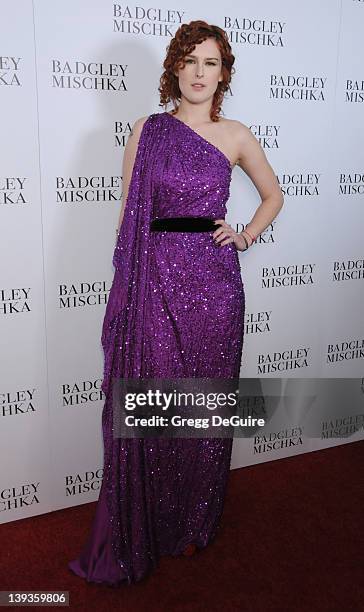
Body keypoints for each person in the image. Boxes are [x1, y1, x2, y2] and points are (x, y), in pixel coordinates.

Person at [68, 20, 283, 586]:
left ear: (223, 73)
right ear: (175, 68)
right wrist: (124, 290)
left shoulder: (236, 134)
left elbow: (273, 193)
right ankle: (150, 523)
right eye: (189, 60)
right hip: (155, 279)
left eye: (210, 63)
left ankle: (192, 521)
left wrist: (245, 233)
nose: (198, 72)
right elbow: (127, 217)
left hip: (214, 286)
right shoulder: (147, 129)